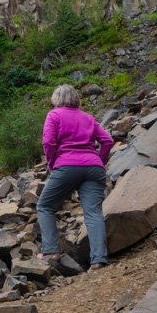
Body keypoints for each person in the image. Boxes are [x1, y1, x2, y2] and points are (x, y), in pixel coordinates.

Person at [36, 83, 114, 270]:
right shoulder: (87, 117)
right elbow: (107, 141)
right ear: (76, 99)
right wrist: (99, 160)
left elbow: (48, 141)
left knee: (45, 206)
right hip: (93, 167)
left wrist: (52, 163)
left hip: (67, 165)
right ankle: (98, 259)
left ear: (56, 100)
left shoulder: (54, 115)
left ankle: (50, 251)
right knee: (93, 213)